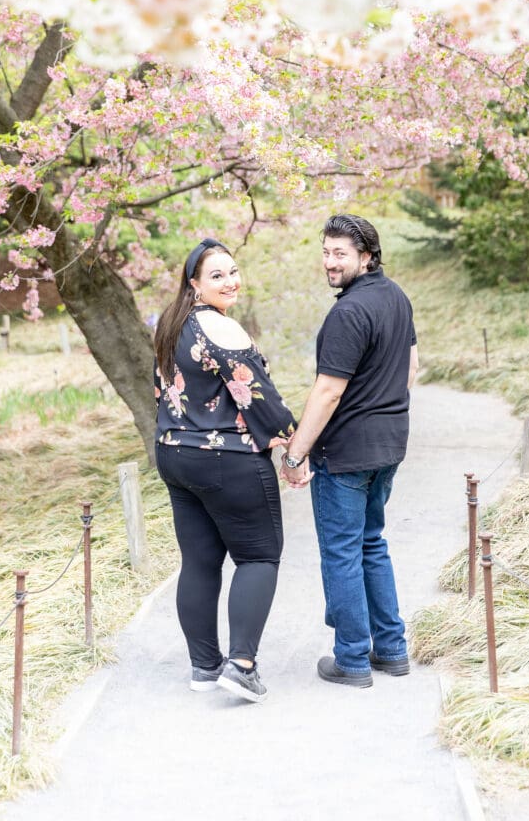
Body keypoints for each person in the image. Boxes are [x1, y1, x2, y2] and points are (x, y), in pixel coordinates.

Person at [153, 237, 298, 703]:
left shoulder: (171, 328)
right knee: (259, 556)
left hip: (175, 454)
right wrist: (294, 444)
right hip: (227, 459)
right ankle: (241, 666)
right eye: (217, 275)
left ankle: (203, 665)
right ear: (195, 284)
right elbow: (259, 398)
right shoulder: (222, 328)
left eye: (234, 272)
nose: (230, 281)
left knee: (198, 561)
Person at [280, 214, 418, 688]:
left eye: (340, 253)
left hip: (345, 454)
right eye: (326, 251)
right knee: (371, 543)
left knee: (342, 552)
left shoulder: (348, 313)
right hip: (388, 446)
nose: (330, 262)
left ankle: (353, 660)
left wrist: (296, 454)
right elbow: (412, 366)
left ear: (366, 256)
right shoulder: (396, 296)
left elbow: (327, 393)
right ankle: (393, 650)